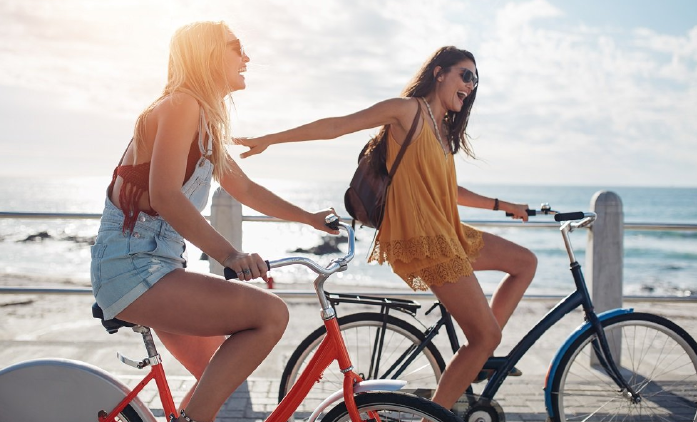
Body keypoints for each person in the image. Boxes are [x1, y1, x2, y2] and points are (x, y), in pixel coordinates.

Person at [237, 46, 537, 412]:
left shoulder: (443, 130)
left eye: (476, 80)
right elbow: (336, 126)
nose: (471, 86)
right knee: (485, 335)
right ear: (439, 73)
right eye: (466, 75)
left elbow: (449, 191)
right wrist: (270, 139)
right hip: (426, 241)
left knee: (525, 262)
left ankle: (480, 353)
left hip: (451, 233)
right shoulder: (406, 111)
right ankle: (442, 407)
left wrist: (505, 206)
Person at [90, 21, 337, 422]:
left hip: (158, 266)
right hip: (132, 268)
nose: (247, 57)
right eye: (236, 47)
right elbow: (166, 195)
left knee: (216, 379)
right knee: (271, 315)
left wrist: (310, 219)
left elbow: (248, 191)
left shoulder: (204, 120)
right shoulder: (181, 104)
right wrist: (231, 255)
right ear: (207, 55)